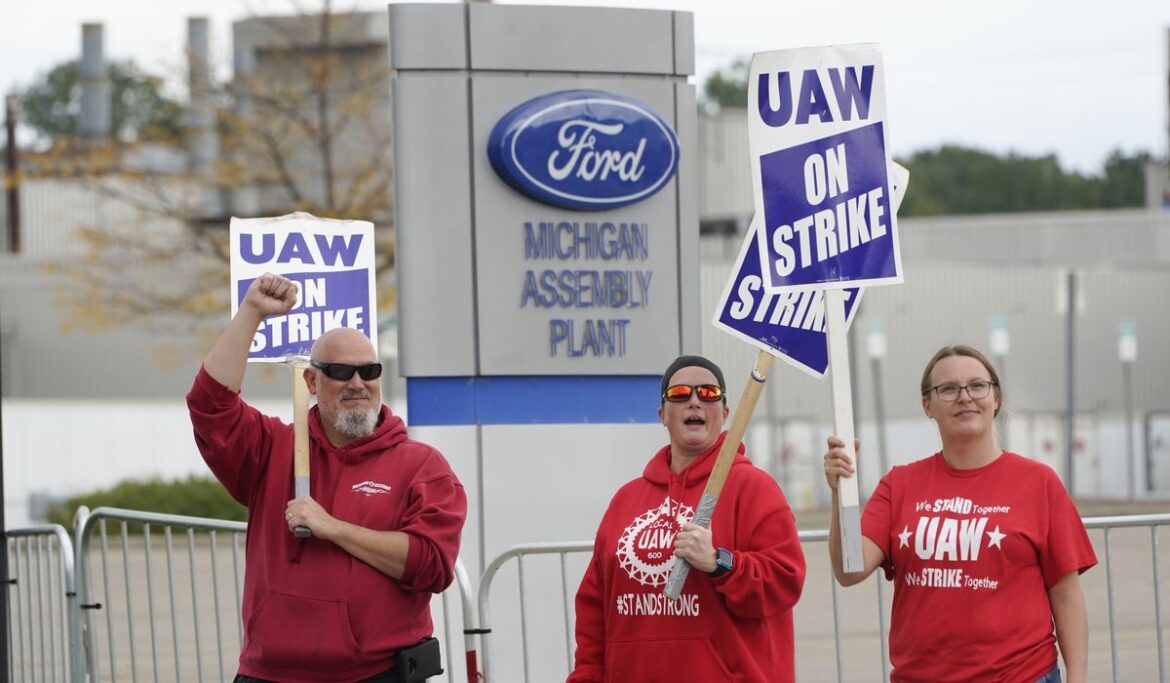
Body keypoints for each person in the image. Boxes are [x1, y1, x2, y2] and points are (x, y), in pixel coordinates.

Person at [187, 272, 467, 683]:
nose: (358, 384)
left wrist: (333, 528)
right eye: (340, 371)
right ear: (311, 381)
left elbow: (432, 564)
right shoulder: (272, 448)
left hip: (376, 674)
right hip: (269, 674)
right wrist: (252, 312)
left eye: (369, 371)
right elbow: (210, 405)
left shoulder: (422, 466)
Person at [823, 344, 1097, 683]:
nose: (965, 397)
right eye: (948, 389)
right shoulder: (899, 484)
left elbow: (1067, 595)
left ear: (996, 398)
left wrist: (1078, 677)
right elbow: (849, 570)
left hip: (1021, 675)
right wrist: (840, 493)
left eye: (977, 386)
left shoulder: (1039, 483)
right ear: (928, 405)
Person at [568, 354, 806, 682]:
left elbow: (784, 582)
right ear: (662, 415)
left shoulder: (754, 489)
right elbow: (594, 607)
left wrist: (719, 562)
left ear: (725, 412)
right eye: (680, 394)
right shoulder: (626, 499)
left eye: (708, 393)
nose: (694, 401)